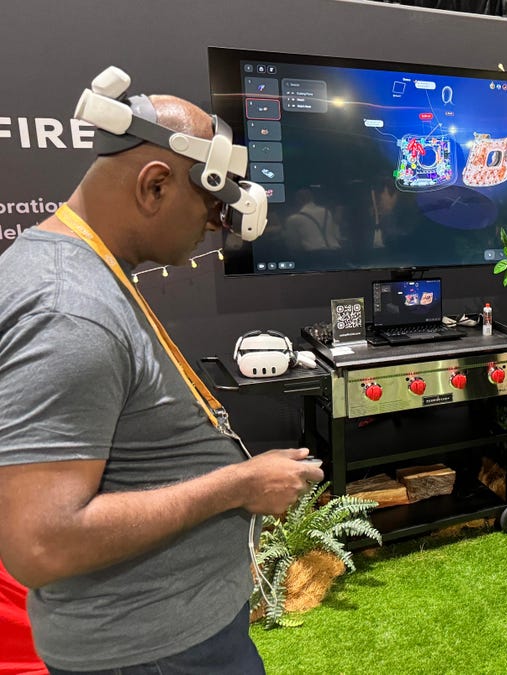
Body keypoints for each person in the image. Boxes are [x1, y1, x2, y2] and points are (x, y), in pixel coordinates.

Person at [0, 75, 324, 673]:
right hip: (153, 653)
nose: (212, 224)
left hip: (170, 637)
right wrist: (239, 486)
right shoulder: (68, 308)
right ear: (155, 185)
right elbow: (41, 542)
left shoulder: (85, 275)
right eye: (208, 203)